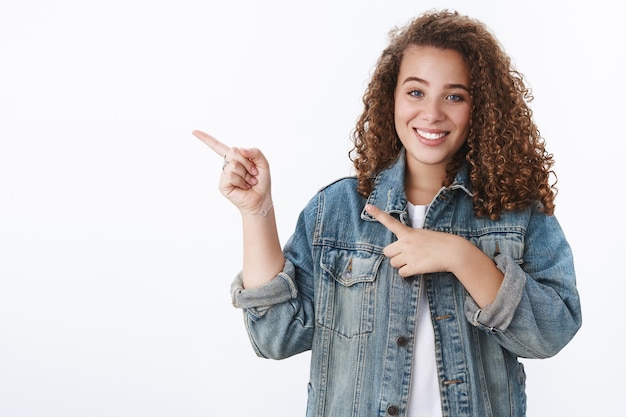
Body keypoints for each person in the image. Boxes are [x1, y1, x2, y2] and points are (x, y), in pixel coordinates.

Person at [193, 9, 582, 417]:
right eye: (416, 92)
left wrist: (460, 256)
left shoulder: (518, 213)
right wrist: (257, 211)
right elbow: (275, 337)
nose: (432, 113)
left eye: (455, 96)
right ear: (390, 97)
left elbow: (552, 334)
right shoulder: (336, 210)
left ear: (479, 107)